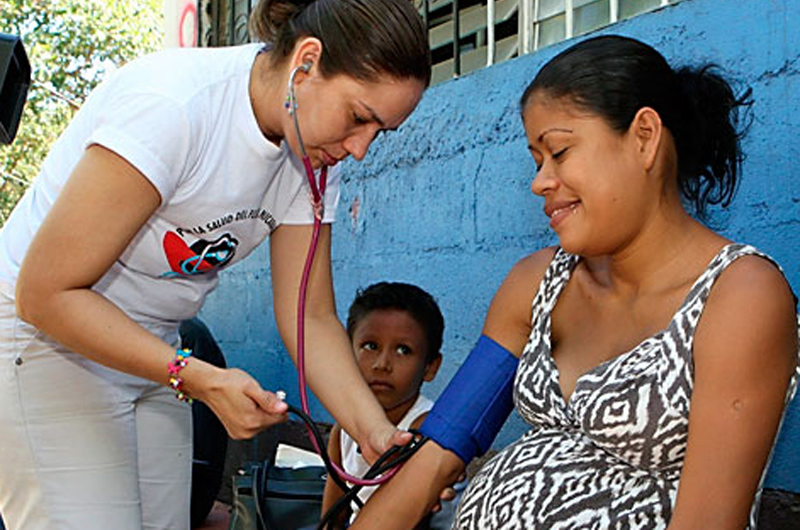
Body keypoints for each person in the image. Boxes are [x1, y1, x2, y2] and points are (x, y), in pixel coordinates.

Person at [0, 0, 431, 528]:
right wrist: (197, 376)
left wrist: (375, 433)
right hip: (43, 336)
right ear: (307, 61)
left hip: (150, 345)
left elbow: (311, 317)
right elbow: (44, 291)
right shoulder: (175, 106)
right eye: (359, 117)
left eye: (378, 131)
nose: (360, 148)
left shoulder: (315, 152)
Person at [349, 35, 800, 530]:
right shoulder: (535, 284)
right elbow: (438, 455)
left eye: (559, 152)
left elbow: (709, 521)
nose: (540, 181)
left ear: (645, 136)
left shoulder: (740, 297)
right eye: (536, 160)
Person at [321, 282, 445, 528]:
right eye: (370, 346)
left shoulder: (426, 429)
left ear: (430, 367)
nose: (382, 364)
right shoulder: (343, 430)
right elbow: (331, 518)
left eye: (403, 350)